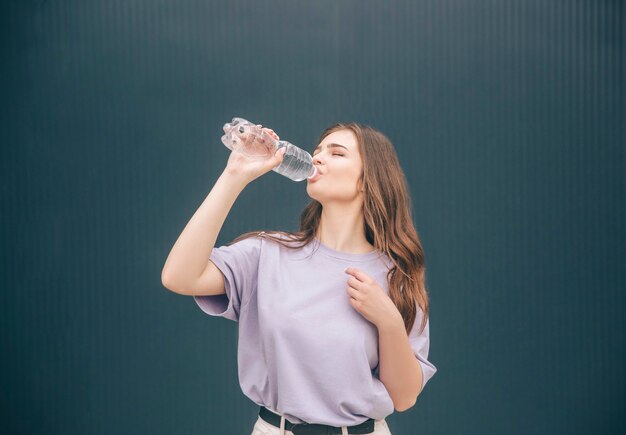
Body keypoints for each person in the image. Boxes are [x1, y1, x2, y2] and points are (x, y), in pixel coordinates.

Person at [161, 122, 437, 435]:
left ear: (367, 180)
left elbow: (404, 397)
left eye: (337, 153)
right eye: (318, 151)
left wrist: (388, 321)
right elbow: (179, 277)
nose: (317, 158)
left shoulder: (396, 276)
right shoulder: (267, 253)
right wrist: (234, 176)